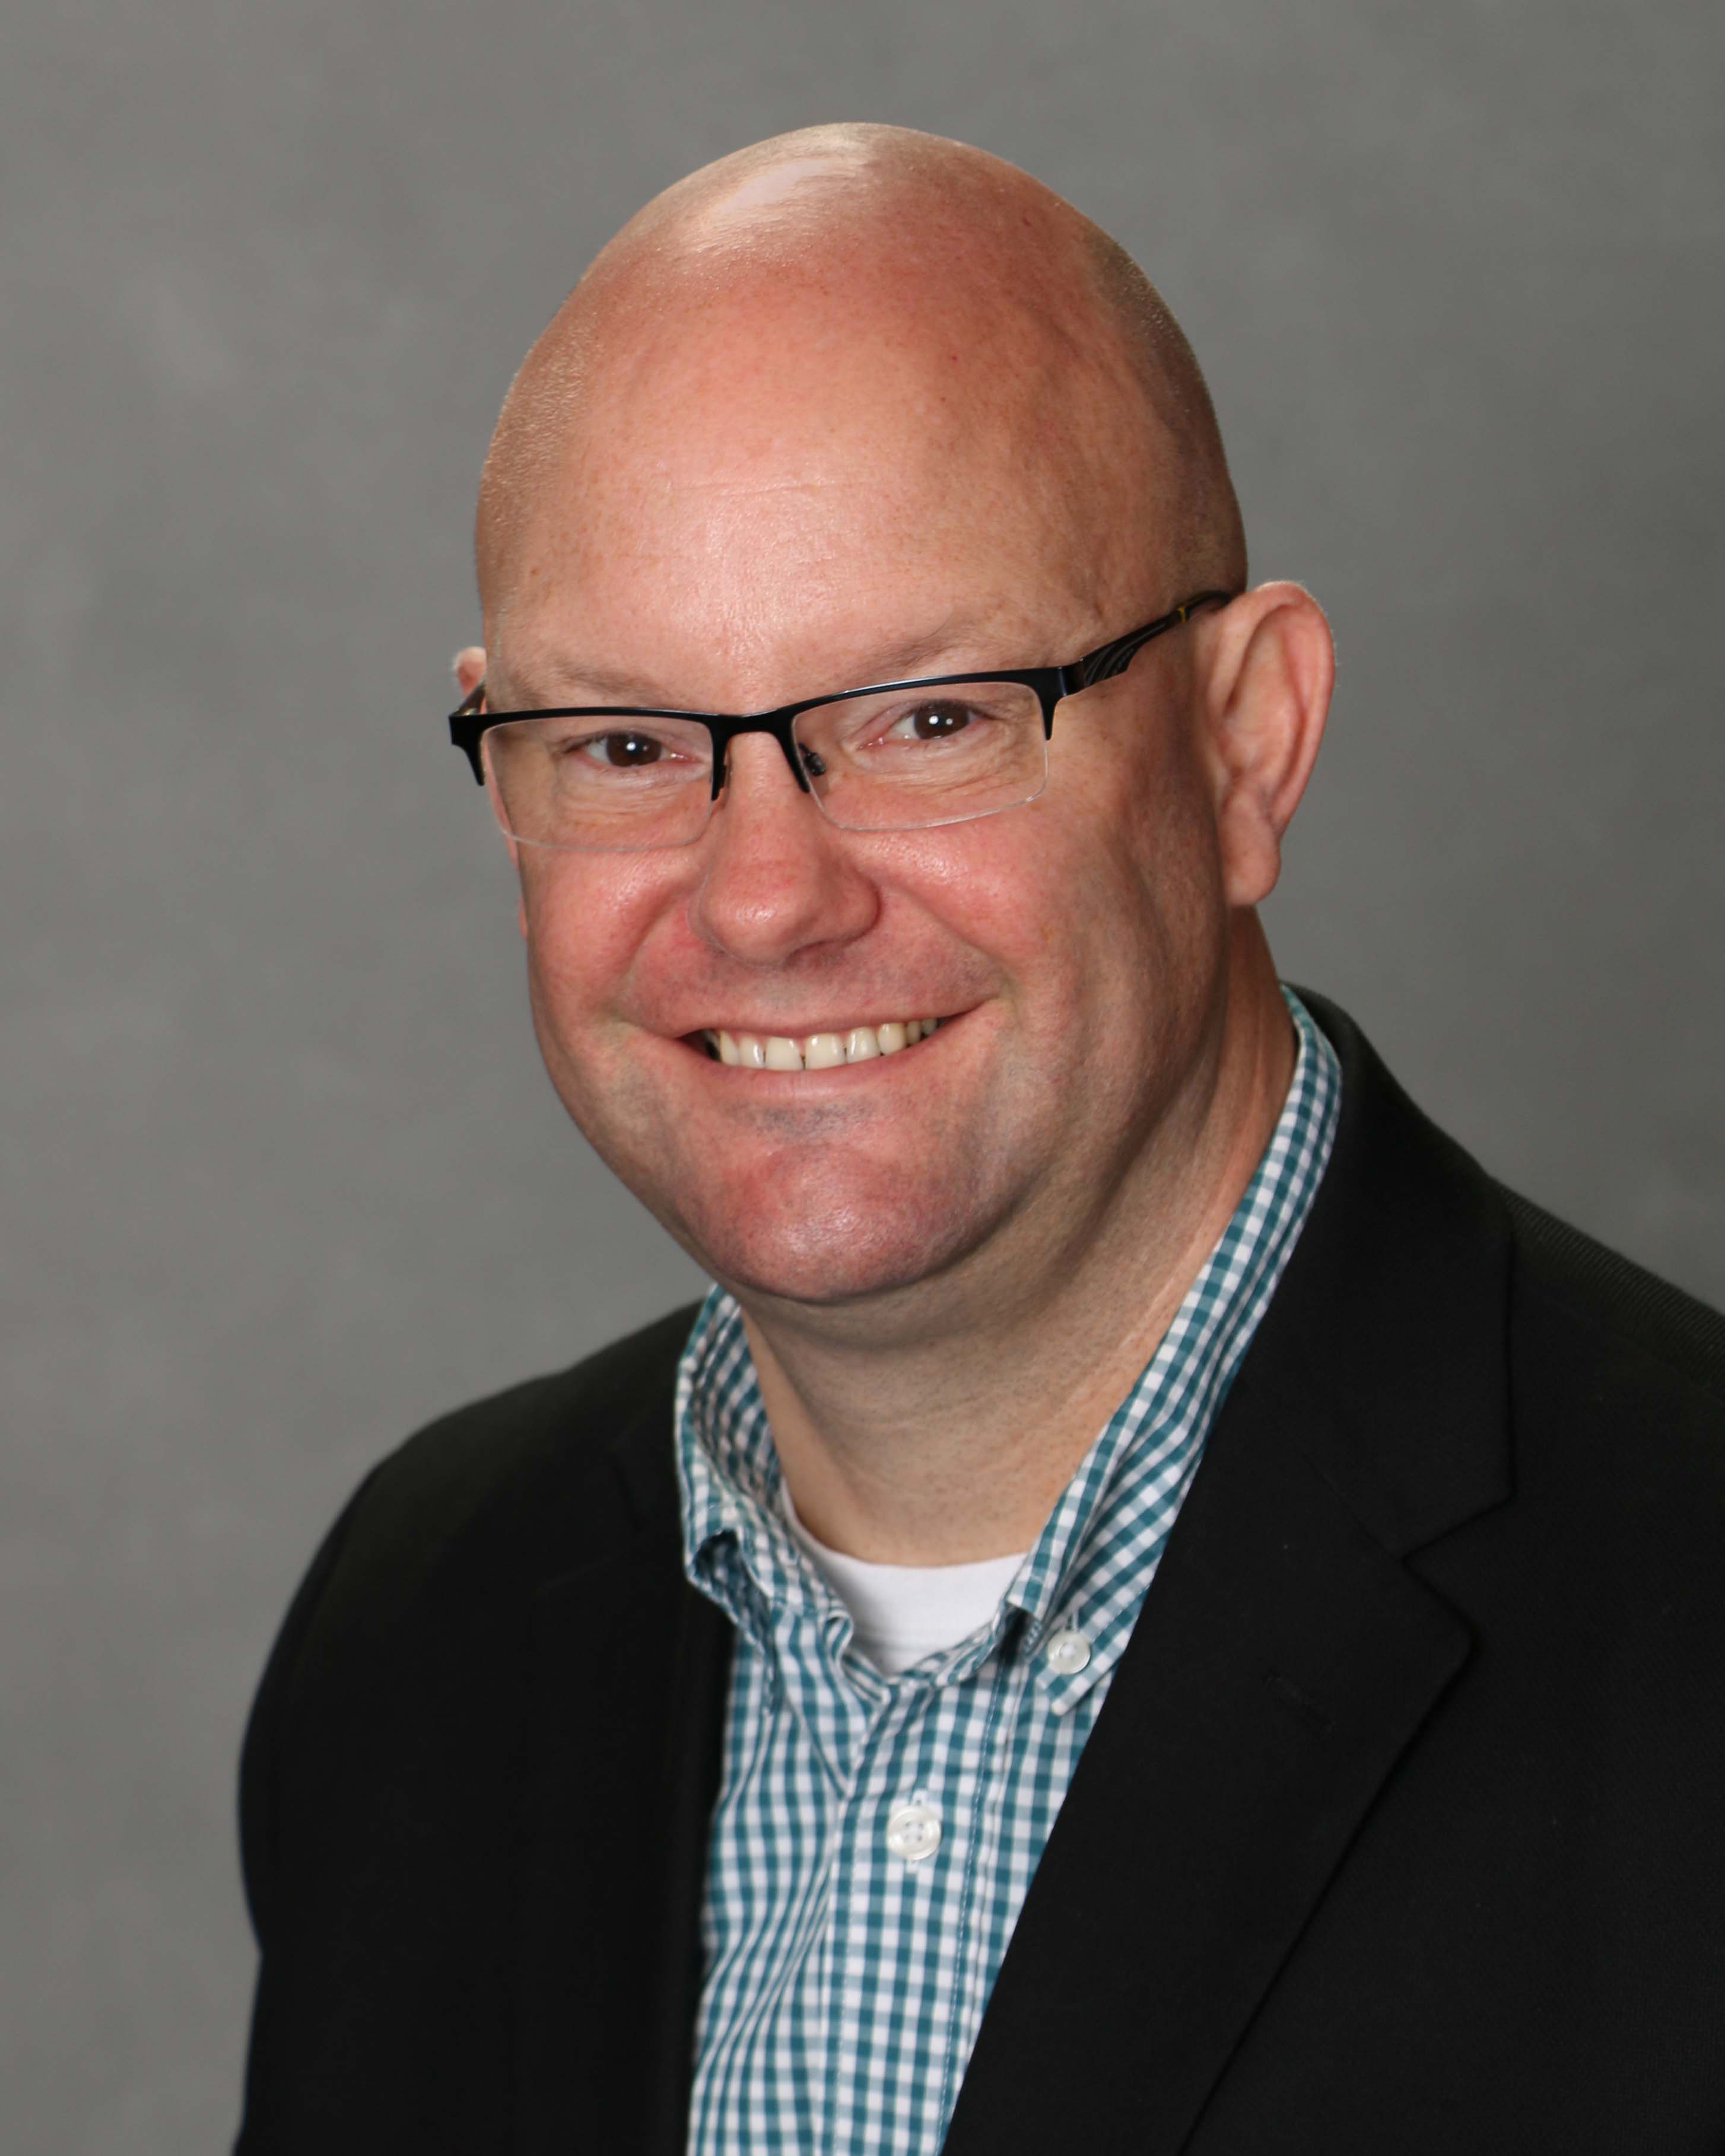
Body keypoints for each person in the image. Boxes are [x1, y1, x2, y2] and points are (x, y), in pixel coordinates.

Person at [233, 125, 1725, 2155]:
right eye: (625, 744)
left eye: (929, 716)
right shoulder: (420, 1623)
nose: (764, 897)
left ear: (1245, 740)